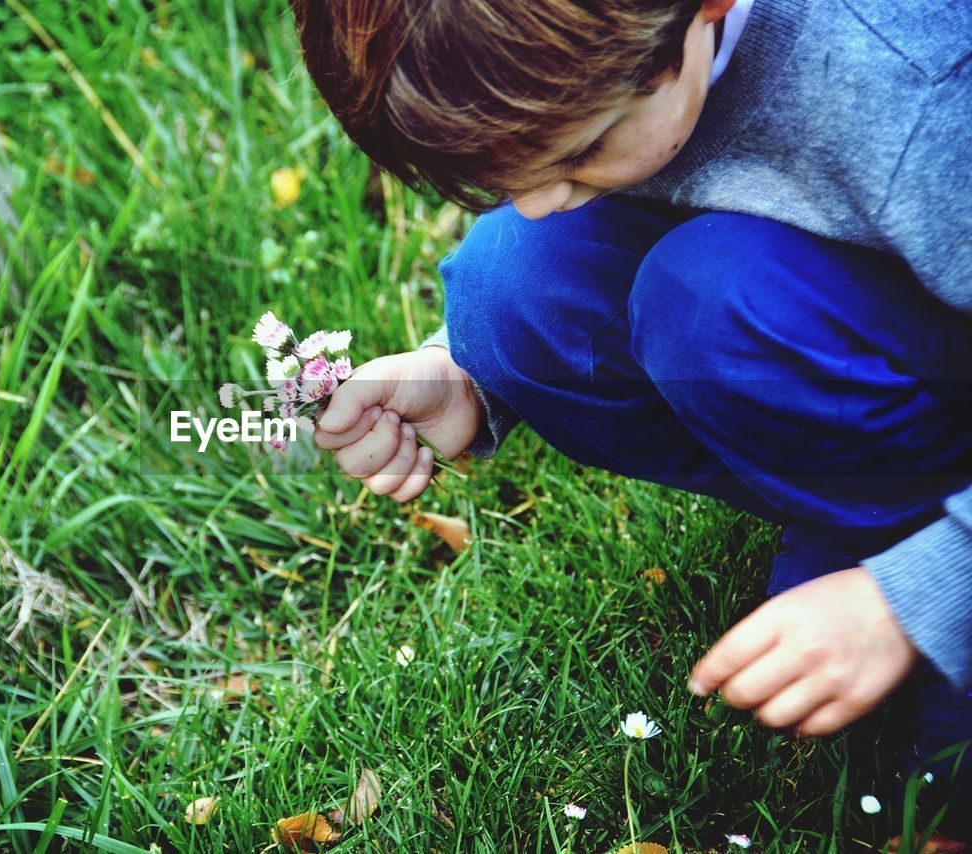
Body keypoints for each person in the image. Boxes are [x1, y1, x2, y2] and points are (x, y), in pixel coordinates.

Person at [290, 0, 972, 833]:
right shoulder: (635, 61)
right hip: (861, 293)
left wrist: (913, 598)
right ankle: (860, 505)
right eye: (505, 179)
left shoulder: (927, 97)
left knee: (716, 301)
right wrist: (467, 375)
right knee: (513, 284)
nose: (537, 202)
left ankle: (917, 547)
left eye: (579, 153)